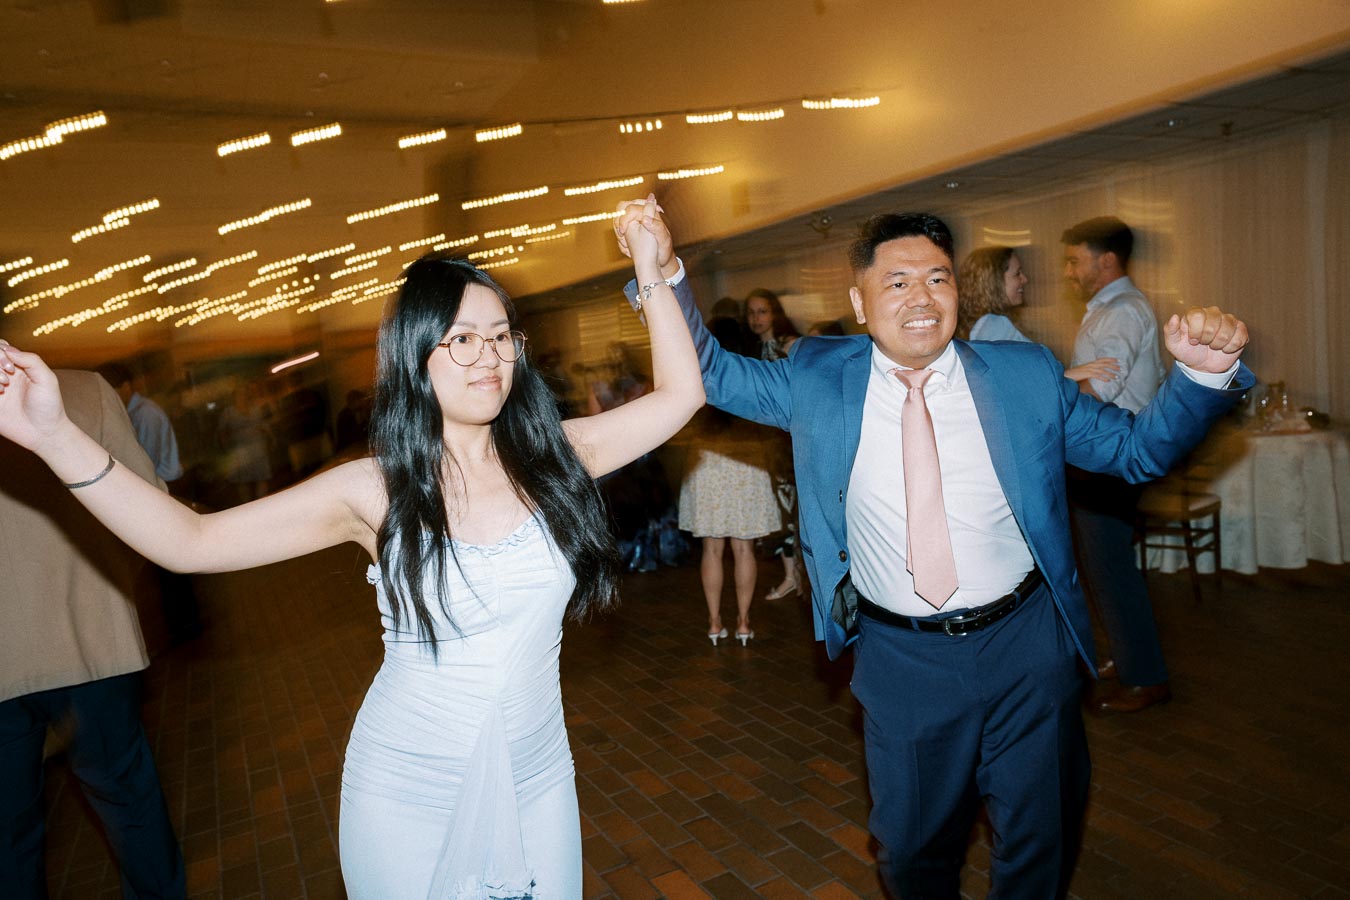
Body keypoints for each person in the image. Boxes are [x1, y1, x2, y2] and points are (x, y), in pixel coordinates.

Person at [0, 195, 704, 899]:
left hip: (537, 773)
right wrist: (56, 437)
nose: (487, 356)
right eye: (461, 338)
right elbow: (192, 541)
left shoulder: (557, 458)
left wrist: (655, 267)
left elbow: (681, 395)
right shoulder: (374, 491)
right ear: (415, 355)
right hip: (410, 785)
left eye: (501, 336)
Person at [616, 205, 1251, 897]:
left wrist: (1204, 378)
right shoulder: (817, 379)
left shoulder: (1025, 375)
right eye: (896, 283)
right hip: (903, 659)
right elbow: (704, 369)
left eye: (938, 278)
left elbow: (1134, 452)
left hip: (1027, 648)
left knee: (1042, 838)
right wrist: (661, 269)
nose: (921, 298)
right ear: (860, 301)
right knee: (912, 852)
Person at [1, 369, 185, 899]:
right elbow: (148, 504)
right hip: (90, 638)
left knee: (9, 841)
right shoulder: (81, 389)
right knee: (131, 806)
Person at [1062, 216, 1172, 712]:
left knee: (1112, 569)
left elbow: (1100, 389)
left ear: (1106, 261)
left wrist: (1043, 405)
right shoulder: (1109, 309)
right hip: (1102, 459)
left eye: (1074, 260)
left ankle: (1145, 677)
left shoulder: (1123, 312)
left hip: (1110, 459)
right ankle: (1128, 657)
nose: (1068, 271)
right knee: (1103, 568)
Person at [678, 316, 781, 646]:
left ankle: (713, 622)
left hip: (708, 458)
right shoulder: (749, 367)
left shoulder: (698, 365)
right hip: (746, 459)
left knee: (711, 548)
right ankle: (744, 623)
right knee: (743, 547)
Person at [956, 245, 1121, 385]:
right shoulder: (993, 323)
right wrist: (1073, 374)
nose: (1024, 279)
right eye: (1017, 274)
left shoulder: (985, 322)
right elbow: (1011, 380)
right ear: (995, 282)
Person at [744, 288, 803, 599]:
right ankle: (790, 574)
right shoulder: (749, 351)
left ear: (774, 313)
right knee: (781, 511)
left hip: (791, 441)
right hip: (766, 443)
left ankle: (800, 576)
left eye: (762, 311)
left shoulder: (790, 345)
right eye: (751, 313)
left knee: (796, 510)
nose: (756, 318)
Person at [96, 361, 183, 483]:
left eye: (109, 392)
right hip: (156, 482)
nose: (104, 399)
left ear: (126, 387)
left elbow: (147, 461)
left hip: (165, 484)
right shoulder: (131, 412)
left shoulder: (145, 413)